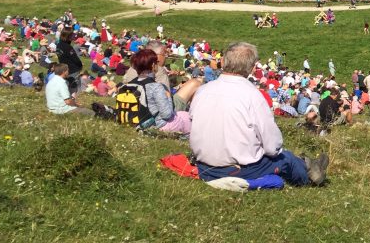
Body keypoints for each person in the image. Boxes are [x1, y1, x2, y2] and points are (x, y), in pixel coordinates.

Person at [189, 42, 326, 186]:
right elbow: (273, 147)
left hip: (203, 165)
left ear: (222, 61)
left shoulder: (203, 90)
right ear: (253, 67)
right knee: (286, 158)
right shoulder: (253, 96)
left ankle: (308, 164)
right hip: (237, 170)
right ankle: (307, 177)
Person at [123, 49, 191, 133]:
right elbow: (166, 115)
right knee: (188, 118)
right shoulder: (155, 86)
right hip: (157, 125)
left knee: (182, 114)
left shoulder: (130, 84)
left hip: (136, 121)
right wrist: (168, 97)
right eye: (156, 62)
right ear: (152, 65)